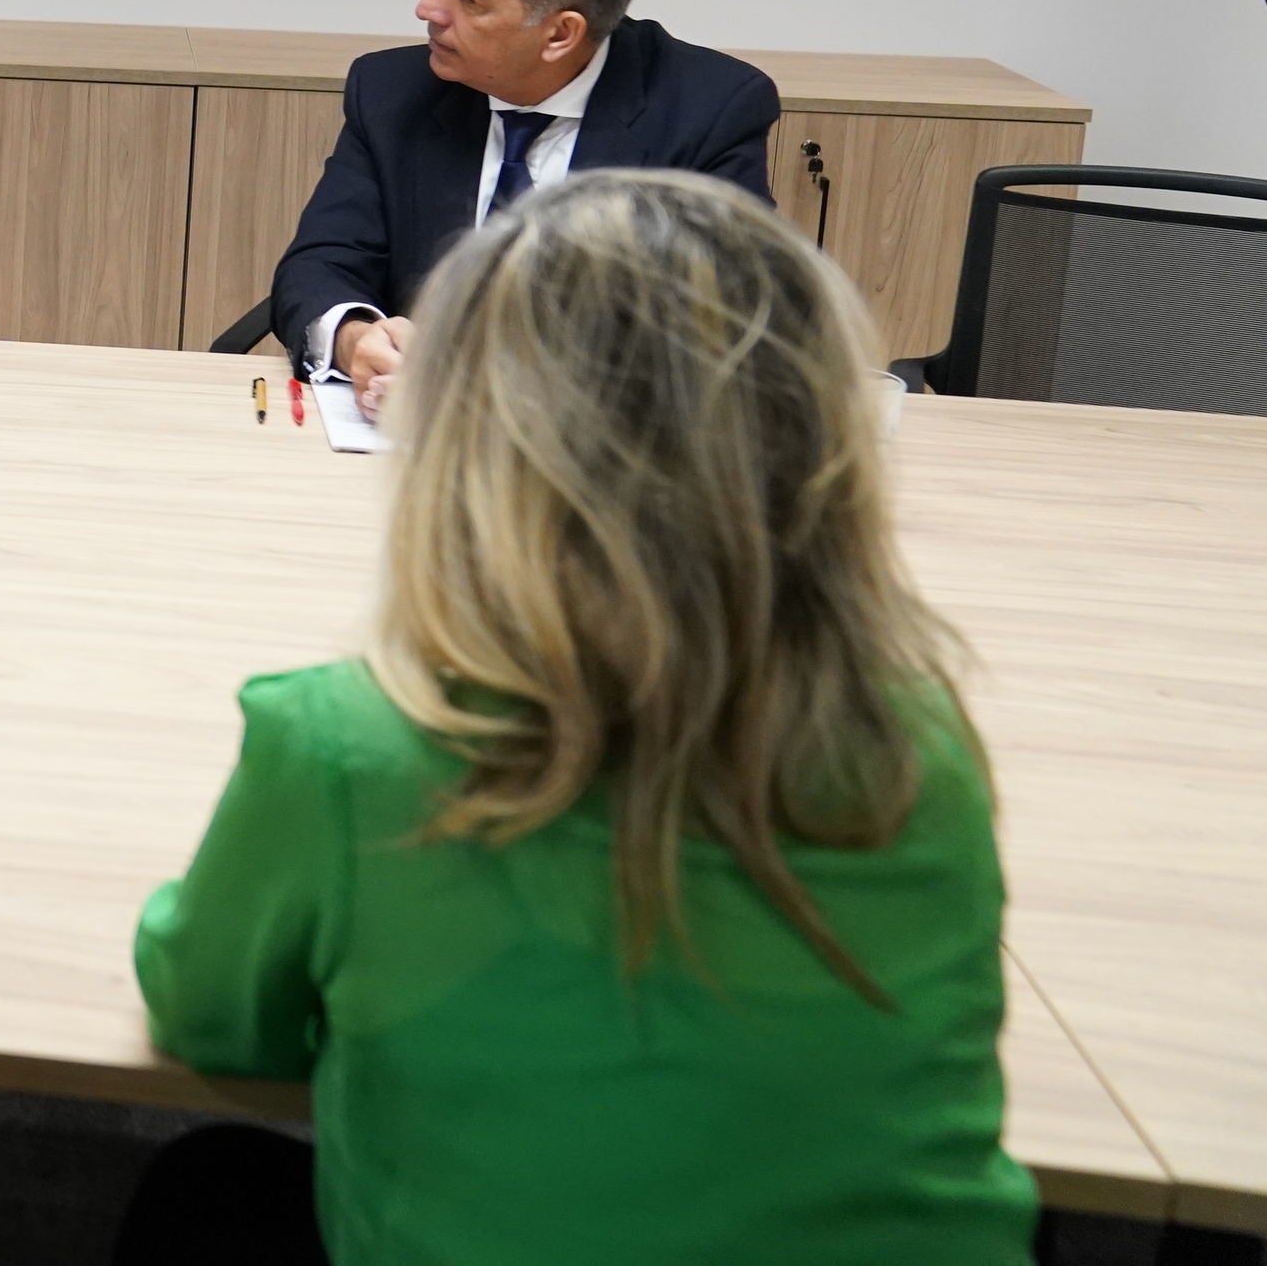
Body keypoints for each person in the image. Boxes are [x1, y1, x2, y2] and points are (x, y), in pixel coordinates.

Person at [127, 170, 1037, 1266]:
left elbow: (214, 1021)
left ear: (475, 450)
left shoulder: (348, 745)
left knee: (206, 1188)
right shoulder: (916, 743)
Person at [268, 0, 777, 417]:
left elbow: (726, 330)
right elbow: (319, 265)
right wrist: (356, 338)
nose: (427, 7)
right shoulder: (393, 91)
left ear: (560, 33)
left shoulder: (706, 112)